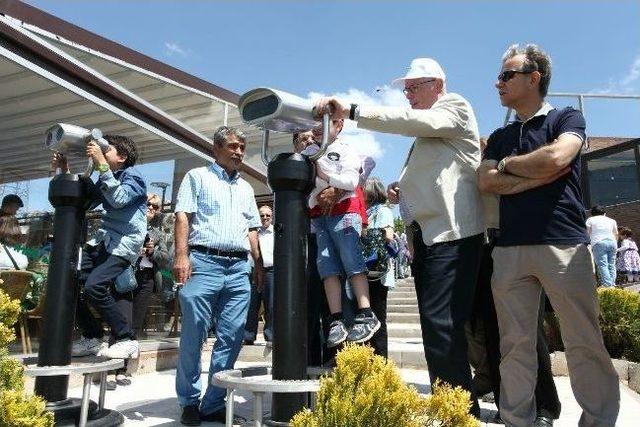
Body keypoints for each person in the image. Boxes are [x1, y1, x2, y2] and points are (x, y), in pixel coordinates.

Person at [315, 57, 485, 414]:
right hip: (428, 237)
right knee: (436, 326)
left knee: (443, 325)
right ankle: (451, 405)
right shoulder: (430, 131)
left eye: (413, 86)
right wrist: (402, 190)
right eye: (405, 88)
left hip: (451, 235)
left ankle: (457, 411)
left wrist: (353, 109)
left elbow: (410, 122)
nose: (407, 93)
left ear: (439, 84)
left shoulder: (453, 106)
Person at [477, 43, 619, 427]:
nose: (498, 82)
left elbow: (558, 158)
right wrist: (527, 173)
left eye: (507, 75)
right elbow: (486, 181)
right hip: (509, 252)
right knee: (515, 347)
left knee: (584, 343)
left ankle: (599, 421)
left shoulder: (567, 118)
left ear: (533, 78)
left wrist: (509, 169)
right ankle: (516, 421)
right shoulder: (500, 135)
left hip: (564, 245)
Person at [173, 126, 261, 426]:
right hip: (203, 262)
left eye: (242, 147)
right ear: (217, 148)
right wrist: (182, 255)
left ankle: (213, 403)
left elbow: (251, 230)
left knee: (233, 337)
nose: (238, 152)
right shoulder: (197, 177)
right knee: (193, 334)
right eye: (233, 146)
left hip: (239, 270)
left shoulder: (247, 188)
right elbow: (183, 214)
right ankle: (188, 401)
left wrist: (259, 265)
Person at [52, 135, 147, 360]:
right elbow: (86, 202)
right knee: (69, 283)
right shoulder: (107, 176)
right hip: (102, 242)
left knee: (95, 287)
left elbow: (120, 199)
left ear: (122, 157)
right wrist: (65, 170)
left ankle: (127, 339)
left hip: (123, 245)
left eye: (107, 150)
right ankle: (93, 337)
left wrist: (101, 166)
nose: (101, 153)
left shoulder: (133, 176)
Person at [307, 118, 381, 349]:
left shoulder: (346, 150)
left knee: (351, 259)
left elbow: (352, 180)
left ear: (338, 125)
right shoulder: (309, 151)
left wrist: (328, 179)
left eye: (325, 122)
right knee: (327, 266)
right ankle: (336, 319)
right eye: (314, 123)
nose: (318, 128)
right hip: (319, 217)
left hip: (345, 213)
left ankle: (366, 311)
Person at [362, 177, 395, 358]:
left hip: (378, 271)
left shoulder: (382, 210)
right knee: (367, 319)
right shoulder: (365, 211)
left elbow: (388, 235)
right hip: (364, 272)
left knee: (378, 318)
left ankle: (381, 361)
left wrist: (365, 233)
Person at [132, 193, 172, 337]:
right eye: (147, 204)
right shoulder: (130, 226)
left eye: (155, 206)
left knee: (138, 317)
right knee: (124, 313)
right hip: (129, 273)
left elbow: (166, 257)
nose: (151, 208)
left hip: (147, 277)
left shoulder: (156, 233)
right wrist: (138, 250)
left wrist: (151, 252)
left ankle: (133, 342)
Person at [244, 205, 274, 343]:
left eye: (267, 215)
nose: (265, 218)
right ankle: (248, 336)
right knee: (251, 304)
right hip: (253, 271)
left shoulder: (275, 233)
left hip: (271, 271)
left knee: (271, 304)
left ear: (271, 217)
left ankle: (270, 336)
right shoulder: (252, 232)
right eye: (262, 215)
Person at [586, 205, 618, 287]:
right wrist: (616, 243)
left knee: (603, 264)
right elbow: (616, 233)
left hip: (598, 242)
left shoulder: (590, 220)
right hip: (612, 242)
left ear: (592, 213)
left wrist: (588, 242)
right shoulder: (612, 220)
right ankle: (612, 284)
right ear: (604, 213)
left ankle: (607, 285)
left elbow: (587, 232)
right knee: (612, 264)